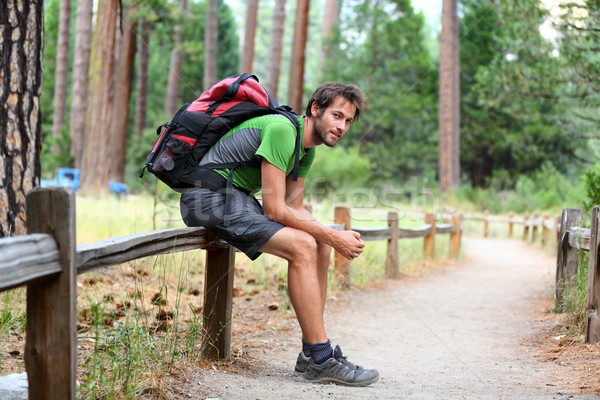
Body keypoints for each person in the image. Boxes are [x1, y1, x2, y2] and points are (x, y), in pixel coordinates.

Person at [179, 82, 379, 387]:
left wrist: (332, 237)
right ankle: (322, 358)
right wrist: (331, 235)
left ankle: (311, 352)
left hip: (236, 198)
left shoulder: (306, 150)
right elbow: (274, 209)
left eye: (348, 121)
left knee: (320, 245)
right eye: (337, 116)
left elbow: (293, 207)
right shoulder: (282, 130)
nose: (342, 127)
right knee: (303, 245)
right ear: (316, 109)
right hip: (206, 197)